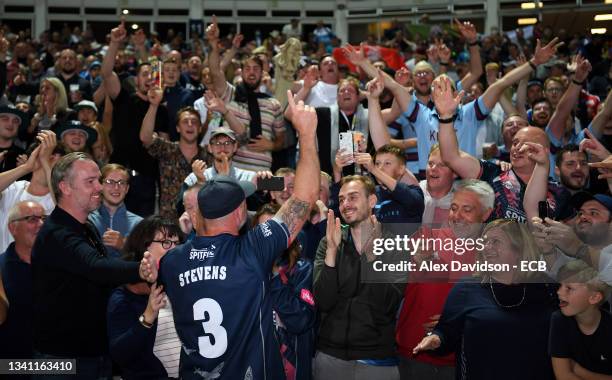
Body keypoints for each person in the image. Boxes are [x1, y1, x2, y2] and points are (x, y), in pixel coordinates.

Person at [149, 91, 319, 379]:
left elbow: (282, 184)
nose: (223, 146)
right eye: (217, 141)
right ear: (242, 214)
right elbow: (302, 198)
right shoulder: (252, 250)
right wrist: (306, 135)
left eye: (228, 141)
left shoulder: (172, 261)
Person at [31, 152, 156, 379]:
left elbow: (105, 268)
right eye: (90, 182)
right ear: (65, 188)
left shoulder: (86, 227)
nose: (99, 187)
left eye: (99, 180)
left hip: (94, 355)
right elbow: (96, 267)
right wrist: (142, 269)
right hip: (60, 361)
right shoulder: (57, 233)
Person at [413, 219, 559, 380]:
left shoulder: (545, 287)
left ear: (519, 249)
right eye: (484, 242)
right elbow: (446, 332)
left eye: (496, 242)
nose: (487, 247)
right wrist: (436, 339)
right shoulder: (467, 288)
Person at [396, 179, 494, 380]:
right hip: (414, 354)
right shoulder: (425, 237)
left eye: (466, 209)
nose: (456, 216)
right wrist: (413, 261)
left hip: (462, 359)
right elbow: (392, 288)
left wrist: (453, 323)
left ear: (486, 213)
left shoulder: (493, 252)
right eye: (453, 208)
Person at [313, 175, 405, 380]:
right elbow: (323, 302)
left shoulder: (395, 246)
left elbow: (387, 305)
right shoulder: (328, 242)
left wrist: (373, 258)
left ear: (372, 201)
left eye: (353, 197)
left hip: (376, 362)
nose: (345, 204)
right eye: (342, 199)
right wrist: (331, 251)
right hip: (330, 357)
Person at [102, 20, 169, 217]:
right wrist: (115, 43)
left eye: (152, 75)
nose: (148, 78)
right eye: (144, 74)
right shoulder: (123, 98)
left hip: (147, 180)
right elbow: (106, 73)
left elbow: (163, 147)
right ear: (136, 79)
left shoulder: (161, 110)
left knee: (141, 234)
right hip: (117, 175)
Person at [107, 216, 184, 380]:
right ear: (144, 247)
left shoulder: (181, 284)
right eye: (166, 243)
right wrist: (148, 317)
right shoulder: (126, 294)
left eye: (178, 244)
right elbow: (120, 354)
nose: (174, 249)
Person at [206, 16, 286, 173]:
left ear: (263, 72)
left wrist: (271, 145)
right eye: (247, 69)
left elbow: (281, 140)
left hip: (263, 173)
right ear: (241, 72)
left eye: (256, 69)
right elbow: (215, 71)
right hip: (233, 172)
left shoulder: (273, 104)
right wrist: (213, 44)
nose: (251, 73)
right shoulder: (230, 94)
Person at [254, 204, 316, 380]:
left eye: (273, 229)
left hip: (292, 365)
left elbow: (301, 321)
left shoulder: (302, 269)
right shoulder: (247, 271)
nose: (268, 237)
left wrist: (273, 276)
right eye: (262, 230)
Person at [141, 98, 208, 219]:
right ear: (177, 128)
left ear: (199, 128)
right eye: (185, 121)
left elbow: (241, 136)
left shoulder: (208, 156)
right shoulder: (166, 149)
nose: (190, 124)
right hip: (169, 222)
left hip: (200, 221)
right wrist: (154, 105)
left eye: (194, 121)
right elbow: (145, 138)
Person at [549, 260, 612, 378]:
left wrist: (581, 371)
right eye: (560, 286)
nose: (559, 292)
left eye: (569, 288)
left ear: (594, 298)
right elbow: (563, 376)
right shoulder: (559, 320)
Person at [0, 201, 46, 359]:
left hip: (56, 362)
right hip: (12, 362)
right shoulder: (1, 267)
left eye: (43, 219)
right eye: (32, 219)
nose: (41, 224)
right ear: (13, 228)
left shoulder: (59, 265)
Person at [0, 130, 59, 252]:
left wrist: (45, 162)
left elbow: (65, 209)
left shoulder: (61, 196)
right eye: (48, 156)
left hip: (40, 268)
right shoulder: (14, 188)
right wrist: (26, 167)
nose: (47, 159)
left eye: (51, 157)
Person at [89, 164, 143, 257]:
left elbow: (144, 262)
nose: (116, 187)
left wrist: (124, 246)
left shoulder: (139, 224)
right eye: (110, 182)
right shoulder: (88, 221)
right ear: (100, 186)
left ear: (127, 189)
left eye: (121, 182)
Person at [0, 105, 29, 173]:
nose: (10, 124)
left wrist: (23, 172)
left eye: (15, 121)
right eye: (5, 119)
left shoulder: (22, 157)